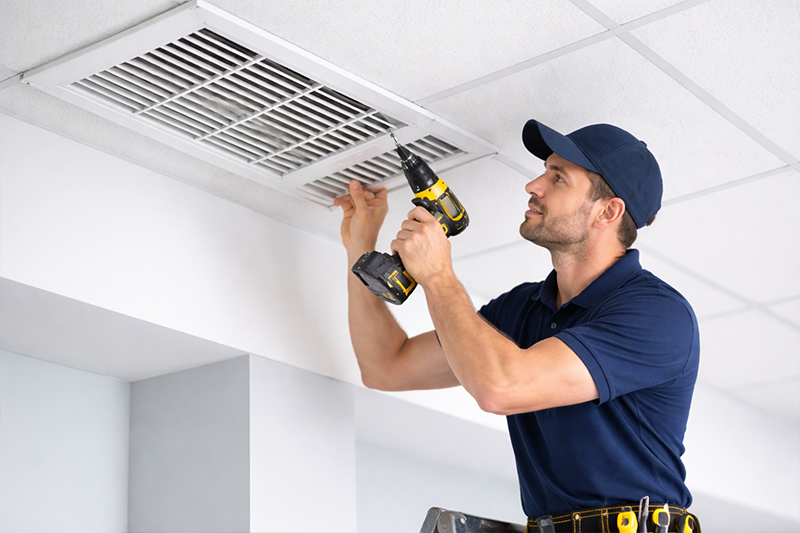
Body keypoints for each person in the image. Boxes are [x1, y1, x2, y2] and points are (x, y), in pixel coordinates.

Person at [334, 120, 700, 533]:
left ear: (608, 211)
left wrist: (437, 275)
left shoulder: (657, 314)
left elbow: (500, 388)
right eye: (544, 171)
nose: (533, 185)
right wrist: (359, 247)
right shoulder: (523, 308)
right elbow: (385, 366)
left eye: (558, 178)